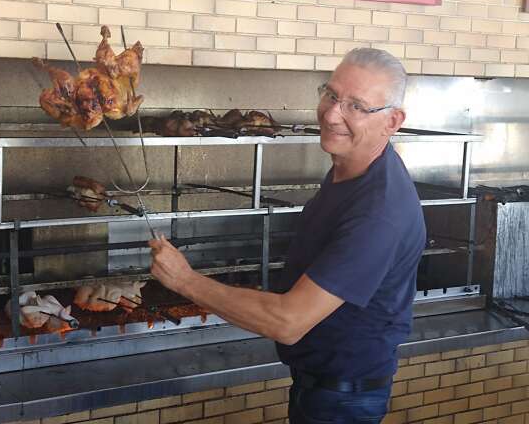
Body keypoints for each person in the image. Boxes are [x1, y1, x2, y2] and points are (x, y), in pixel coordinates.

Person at [149, 48, 426, 423]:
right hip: (321, 386)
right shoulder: (352, 170)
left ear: (393, 120)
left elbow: (288, 323)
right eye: (330, 95)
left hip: (342, 400)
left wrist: (184, 280)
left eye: (356, 106)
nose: (331, 114)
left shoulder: (378, 214)